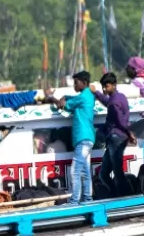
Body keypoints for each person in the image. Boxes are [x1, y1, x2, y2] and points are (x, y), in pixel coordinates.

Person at [46, 71, 96, 204]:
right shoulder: (87, 95)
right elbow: (70, 99)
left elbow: (64, 105)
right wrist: (64, 96)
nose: (74, 85)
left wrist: (54, 99)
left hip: (83, 139)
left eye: (76, 83)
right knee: (85, 172)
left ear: (84, 83)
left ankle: (74, 201)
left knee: (75, 170)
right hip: (87, 138)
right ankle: (87, 200)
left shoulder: (83, 97)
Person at [94, 72, 134, 195]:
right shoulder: (120, 97)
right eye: (103, 87)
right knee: (104, 173)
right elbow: (107, 102)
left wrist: (130, 132)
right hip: (116, 139)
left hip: (116, 138)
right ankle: (116, 195)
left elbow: (121, 121)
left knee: (117, 173)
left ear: (114, 85)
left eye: (107, 86)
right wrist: (96, 93)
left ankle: (126, 197)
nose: (105, 89)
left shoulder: (114, 103)